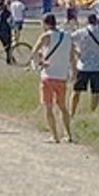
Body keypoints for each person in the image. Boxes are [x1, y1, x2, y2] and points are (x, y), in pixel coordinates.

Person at [32, 13, 75, 143]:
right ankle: (68, 134)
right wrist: (73, 72)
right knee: (62, 106)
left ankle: (55, 136)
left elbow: (34, 51)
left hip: (48, 75)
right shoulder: (68, 36)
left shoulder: (46, 36)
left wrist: (38, 63)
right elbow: (72, 56)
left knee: (48, 106)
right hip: (62, 76)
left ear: (45, 23)